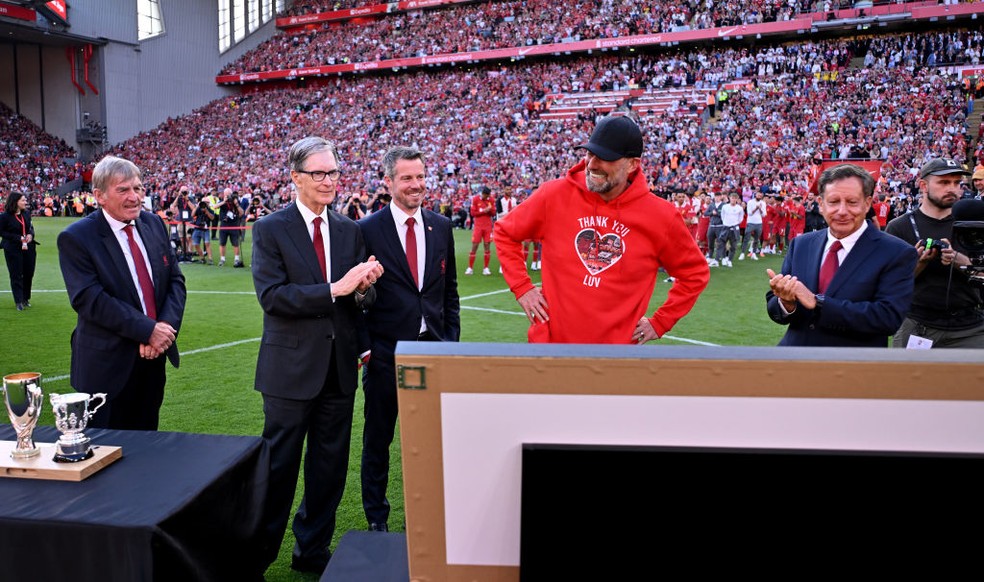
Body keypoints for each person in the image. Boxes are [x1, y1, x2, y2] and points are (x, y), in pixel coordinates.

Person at [250, 136, 384, 574]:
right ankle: (259, 554)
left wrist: (364, 288)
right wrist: (337, 288)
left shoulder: (348, 229)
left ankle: (312, 550)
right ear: (295, 177)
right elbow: (273, 297)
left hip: (339, 369)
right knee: (280, 468)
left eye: (333, 173)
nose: (329, 182)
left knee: (329, 468)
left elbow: (358, 302)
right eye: (319, 174)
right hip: (290, 371)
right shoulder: (271, 228)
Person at [494, 115, 709, 344]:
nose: (593, 164)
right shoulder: (554, 195)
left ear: (632, 164)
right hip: (549, 351)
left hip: (615, 359)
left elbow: (694, 274)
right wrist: (522, 287)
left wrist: (660, 322)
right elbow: (505, 232)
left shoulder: (661, 217)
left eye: (605, 158)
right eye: (589, 154)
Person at [357, 146, 460, 532]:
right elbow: (356, 296)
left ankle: (434, 515)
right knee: (378, 441)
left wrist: (450, 343)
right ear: (388, 182)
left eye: (420, 176)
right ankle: (377, 520)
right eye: (406, 178)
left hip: (433, 351)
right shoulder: (366, 230)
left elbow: (448, 293)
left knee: (434, 441)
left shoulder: (442, 226)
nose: (416, 185)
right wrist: (366, 348)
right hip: (385, 354)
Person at [57, 156, 186, 429]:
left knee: (146, 448)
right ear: (99, 196)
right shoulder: (77, 237)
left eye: (138, 188)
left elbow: (175, 281)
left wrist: (163, 329)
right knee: (102, 457)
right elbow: (90, 299)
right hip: (106, 366)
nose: (135, 197)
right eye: (123, 190)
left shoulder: (153, 224)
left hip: (153, 359)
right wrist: (147, 331)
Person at [766, 164, 917, 347]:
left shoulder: (897, 252)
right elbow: (777, 307)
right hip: (795, 362)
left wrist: (818, 303)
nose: (842, 211)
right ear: (821, 205)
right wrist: (786, 302)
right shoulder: (802, 244)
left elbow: (887, 318)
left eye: (852, 202)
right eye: (833, 202)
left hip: (852, 367)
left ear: (867, 204)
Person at [885, 159, 984, 348]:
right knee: (905, 378)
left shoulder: (975, 224)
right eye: (944, 182)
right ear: (923, 185)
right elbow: (889, 286)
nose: (953, 189)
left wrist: (959, 260)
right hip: (917, 325)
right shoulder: (899, 227)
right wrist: (919, 264)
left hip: (970, 327)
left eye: (957, 183)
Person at [0, 191, 38, 311]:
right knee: (16, 274)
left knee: (28, 273)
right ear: (15, 202)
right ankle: (18, 301)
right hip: (13, 248)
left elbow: (30, 228)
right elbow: (1, 232)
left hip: (28, 248)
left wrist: (30, 235)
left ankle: (25, 298)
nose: (25, 202)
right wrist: (18, 238)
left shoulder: (26, 214)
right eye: (23, 200)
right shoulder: (4, 216)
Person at [465, 186, 495, 275]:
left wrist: (489, 210)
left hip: (488, 226)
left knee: (487, 245)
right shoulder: (475, 199)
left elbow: (493, 213)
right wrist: (484, 211)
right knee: (475, 245)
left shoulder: (491, 200)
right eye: (487, 195)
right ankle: (470, 268)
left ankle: (486, 268)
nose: (487, 197)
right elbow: (473, 213)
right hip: (478, 226)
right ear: (483, 194)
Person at [218, 187, 245, 267]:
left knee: (235, 243)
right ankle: (222, 259)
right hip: (224, 225)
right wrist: (224, 201)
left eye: (229, 194)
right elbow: (215, 206)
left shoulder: (235, 201)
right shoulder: (222, 201)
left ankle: (236, 259)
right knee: (222, 243)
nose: (228, 196)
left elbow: (242, 213)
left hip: (234, 225)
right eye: (226, 194)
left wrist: (236, 204)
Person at [190, 195, 215, 264]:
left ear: (208, 203)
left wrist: (206, 211)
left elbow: (212, 218)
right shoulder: (198, 209)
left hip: (205, 229)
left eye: (206, 203)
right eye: (203, 202)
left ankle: (210, 259)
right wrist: (197, 206)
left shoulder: (210, 210)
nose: (204, 204)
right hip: (197, 228)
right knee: (196, 244)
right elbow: (192, 215)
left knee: (207, 243)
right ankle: (202, 258)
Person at [742, 191, 765, 260]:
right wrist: (756, 208)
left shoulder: (763, 203)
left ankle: (754, 253)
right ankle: (742, 253)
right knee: (746, 238)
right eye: (758, 195)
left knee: (756, 239)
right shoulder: (750, 202)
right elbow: (749, 213)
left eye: (760, 196)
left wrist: (760, 209)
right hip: (750, 222)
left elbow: (763, 214)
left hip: (759, 222)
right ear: (755, 195)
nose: (759, 197)